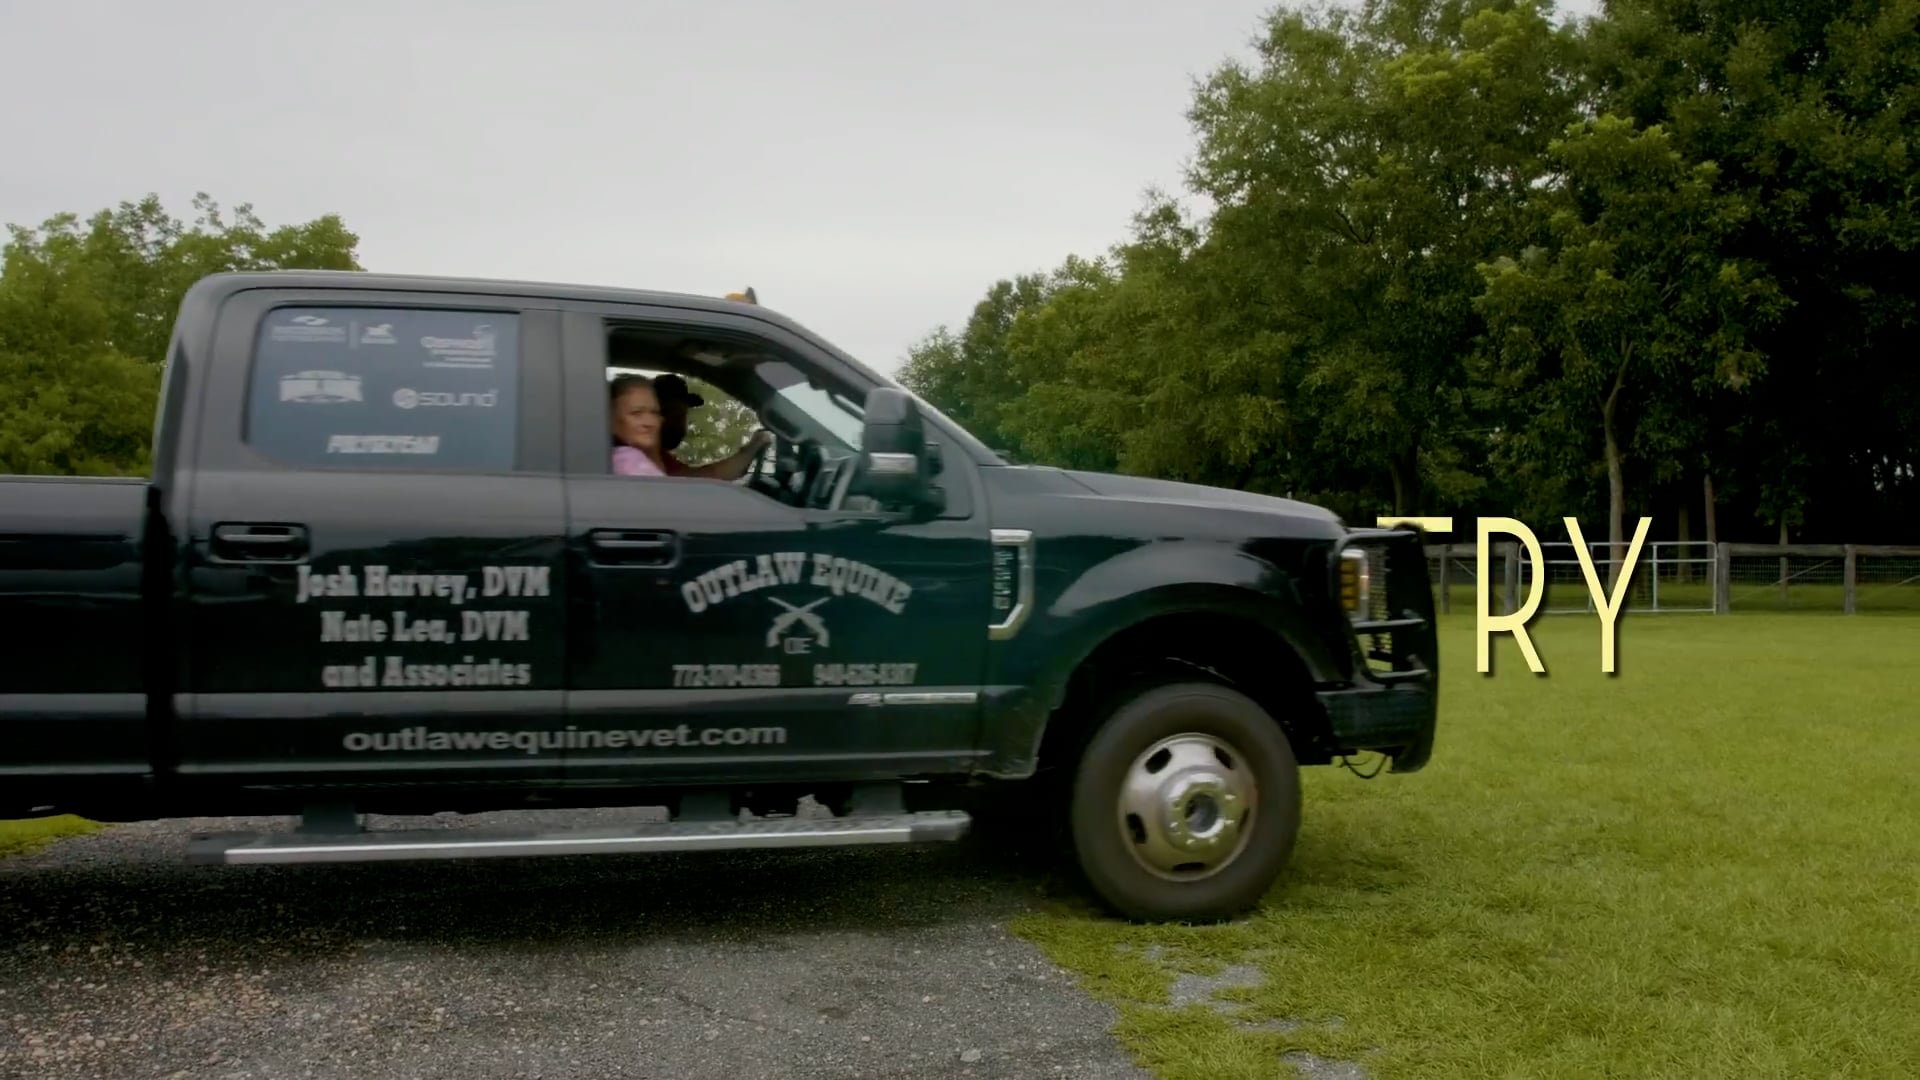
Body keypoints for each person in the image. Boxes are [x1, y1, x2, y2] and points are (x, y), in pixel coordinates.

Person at [650, 372, 772, 481]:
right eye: (675, 415)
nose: (681, 424)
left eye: (683, 416)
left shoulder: (659, 456)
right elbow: (702, 479)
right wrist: (753, 446)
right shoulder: (643, 454)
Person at [609, 374, 669, 476]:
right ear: (611, 421)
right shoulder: (626, 459)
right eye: (636, 413)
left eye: (655, 413)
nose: (650, 423)